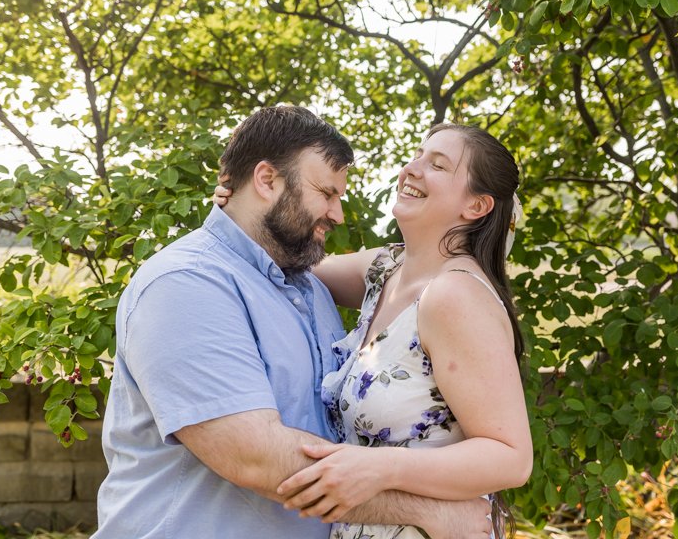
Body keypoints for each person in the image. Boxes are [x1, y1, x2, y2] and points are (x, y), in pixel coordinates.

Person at [93, 106, 491, 539]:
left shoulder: (308, 288)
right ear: (266, 180)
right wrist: (426, 513)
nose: (337, 214)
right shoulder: (186, 285)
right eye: (326, 193)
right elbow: (258, 459)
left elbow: (422, 269)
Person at [215, 123, 532, 538]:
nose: (412, 169)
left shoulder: (455, 296)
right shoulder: (386, 269)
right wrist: (244, 213)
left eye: (437, 165)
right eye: (418, 155)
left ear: (475, 207)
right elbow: (282, 260)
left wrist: (380, 468)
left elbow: (511, 459)